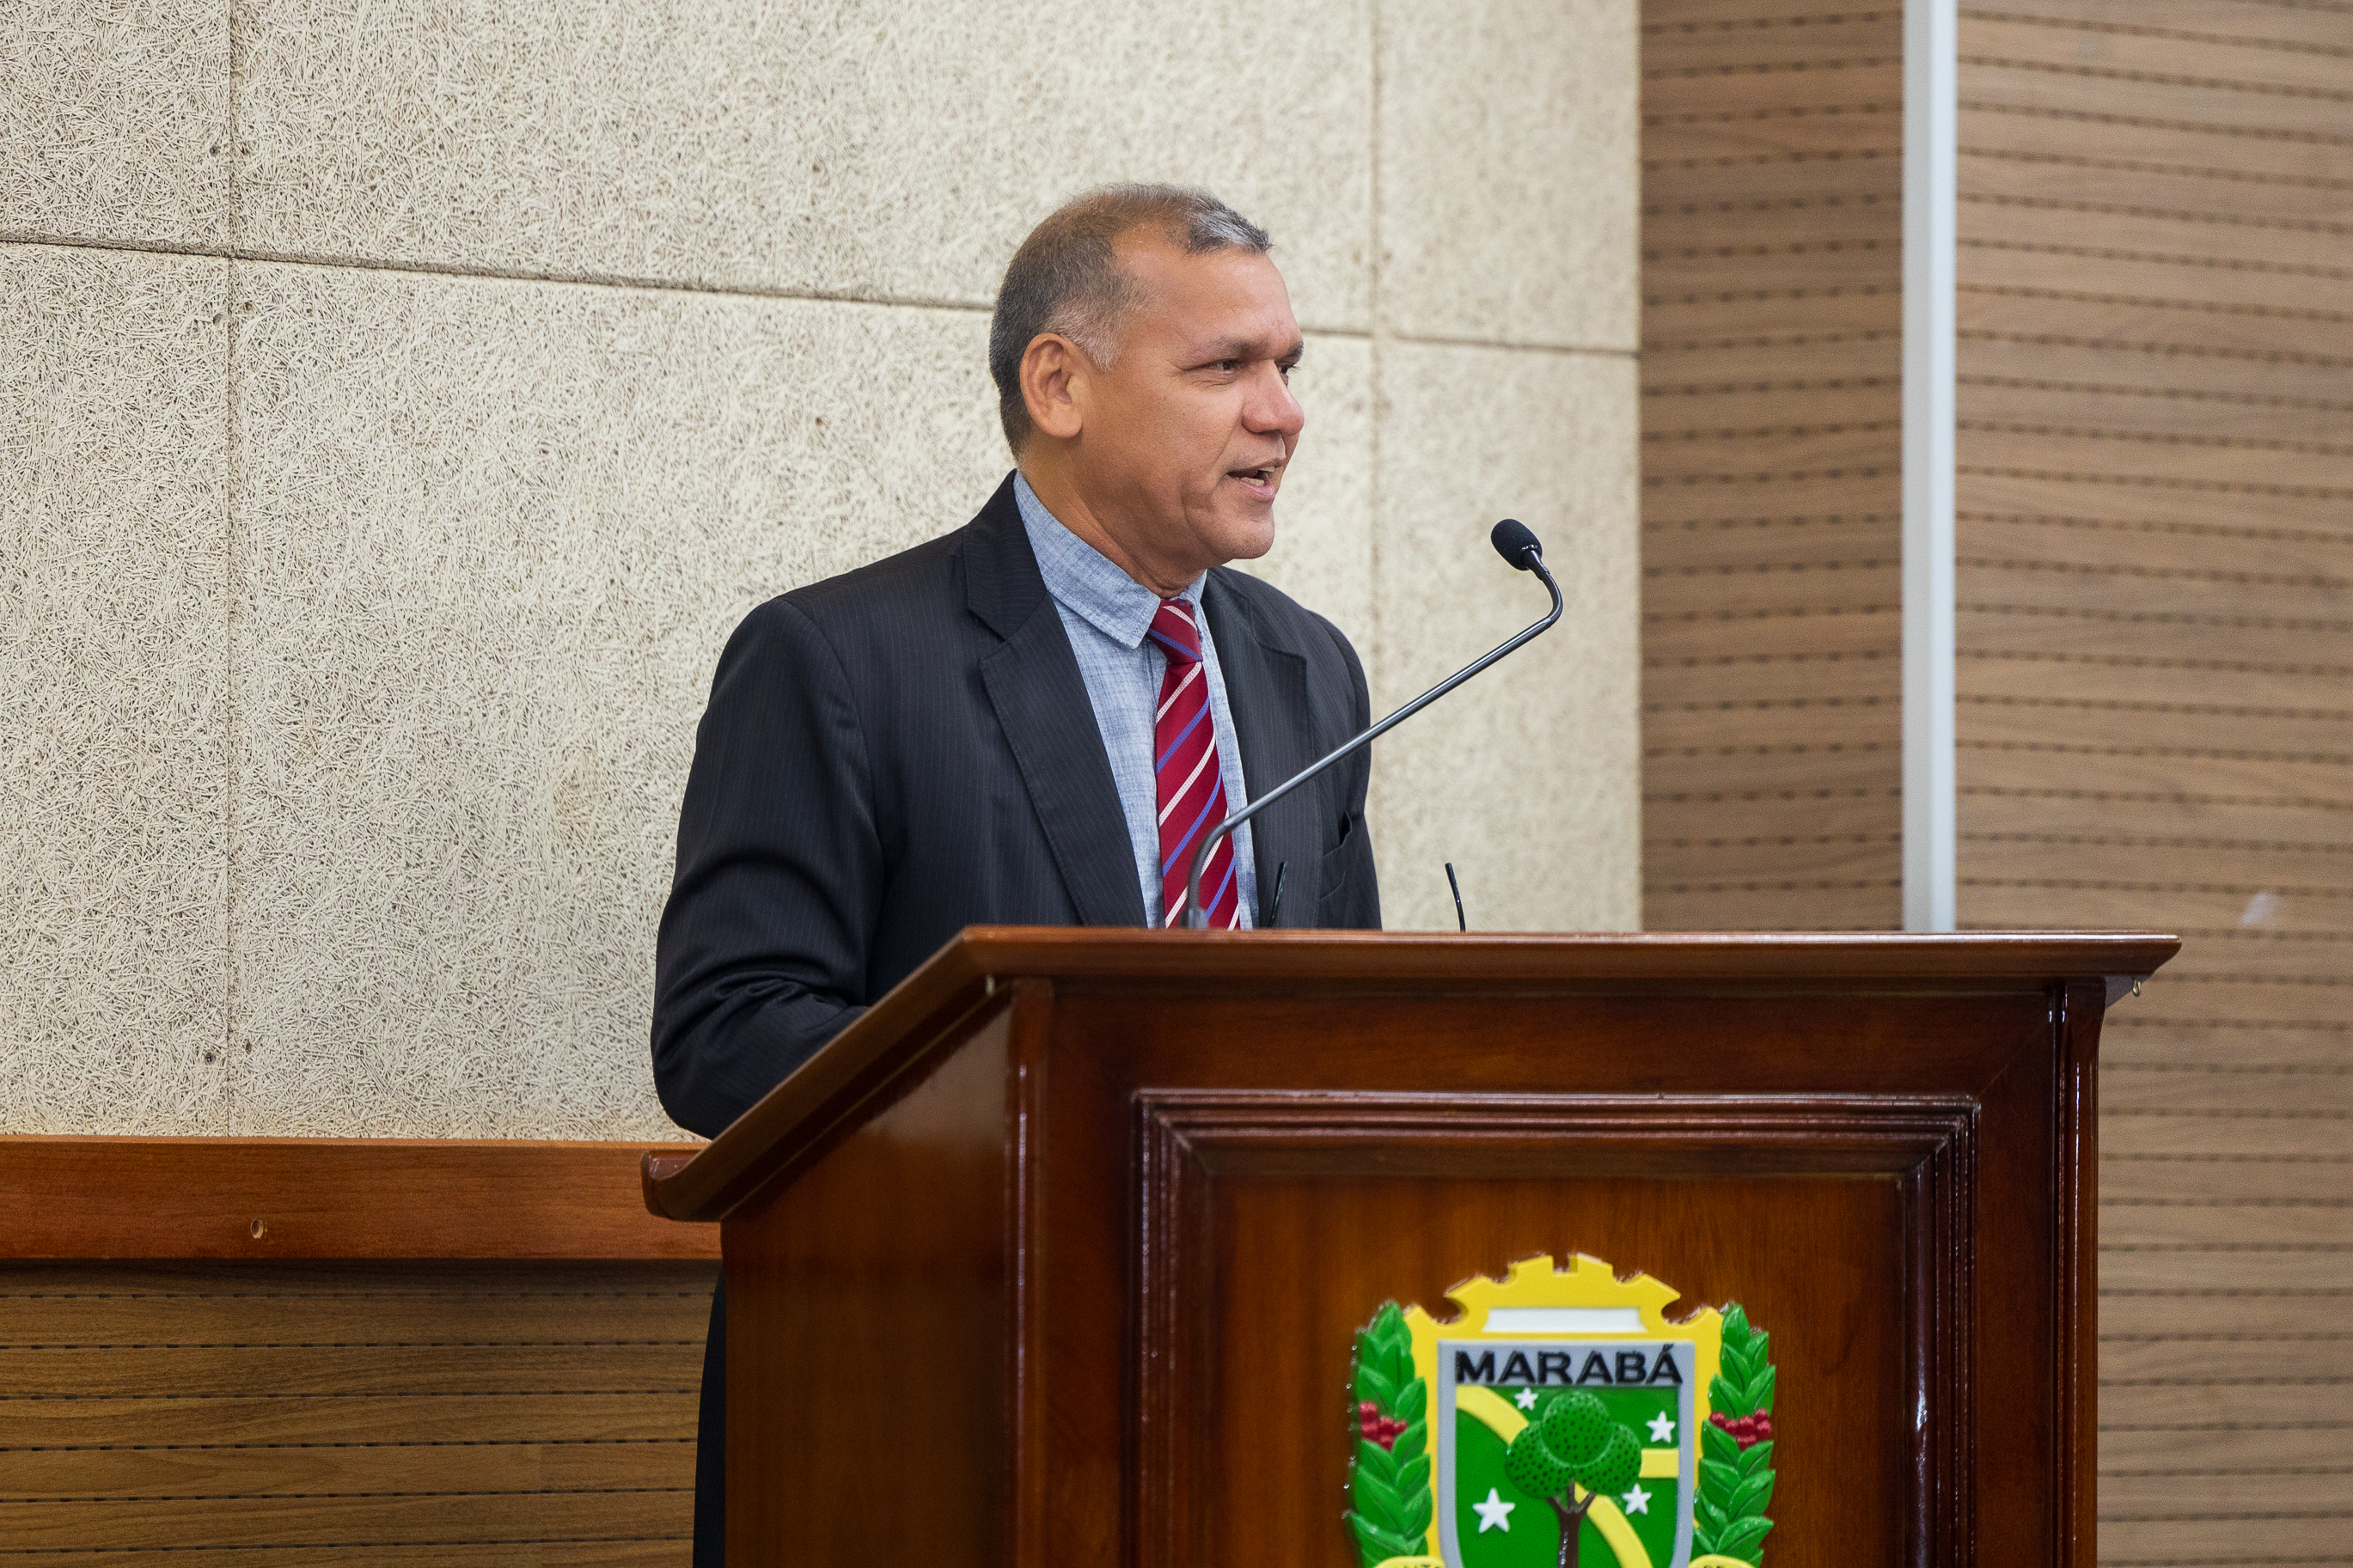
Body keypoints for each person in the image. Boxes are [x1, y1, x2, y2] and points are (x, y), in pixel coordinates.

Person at [649, 183, 1381, 1565]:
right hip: (925, 1406)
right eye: (1224, 366)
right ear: (1059, 384)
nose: (1281, 412)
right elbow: (724, 1035)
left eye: (1288, 366)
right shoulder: (841, 660)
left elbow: (1346, 1032)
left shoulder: (1307, 667)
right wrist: (1064, 1093)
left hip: (1252, 1388)